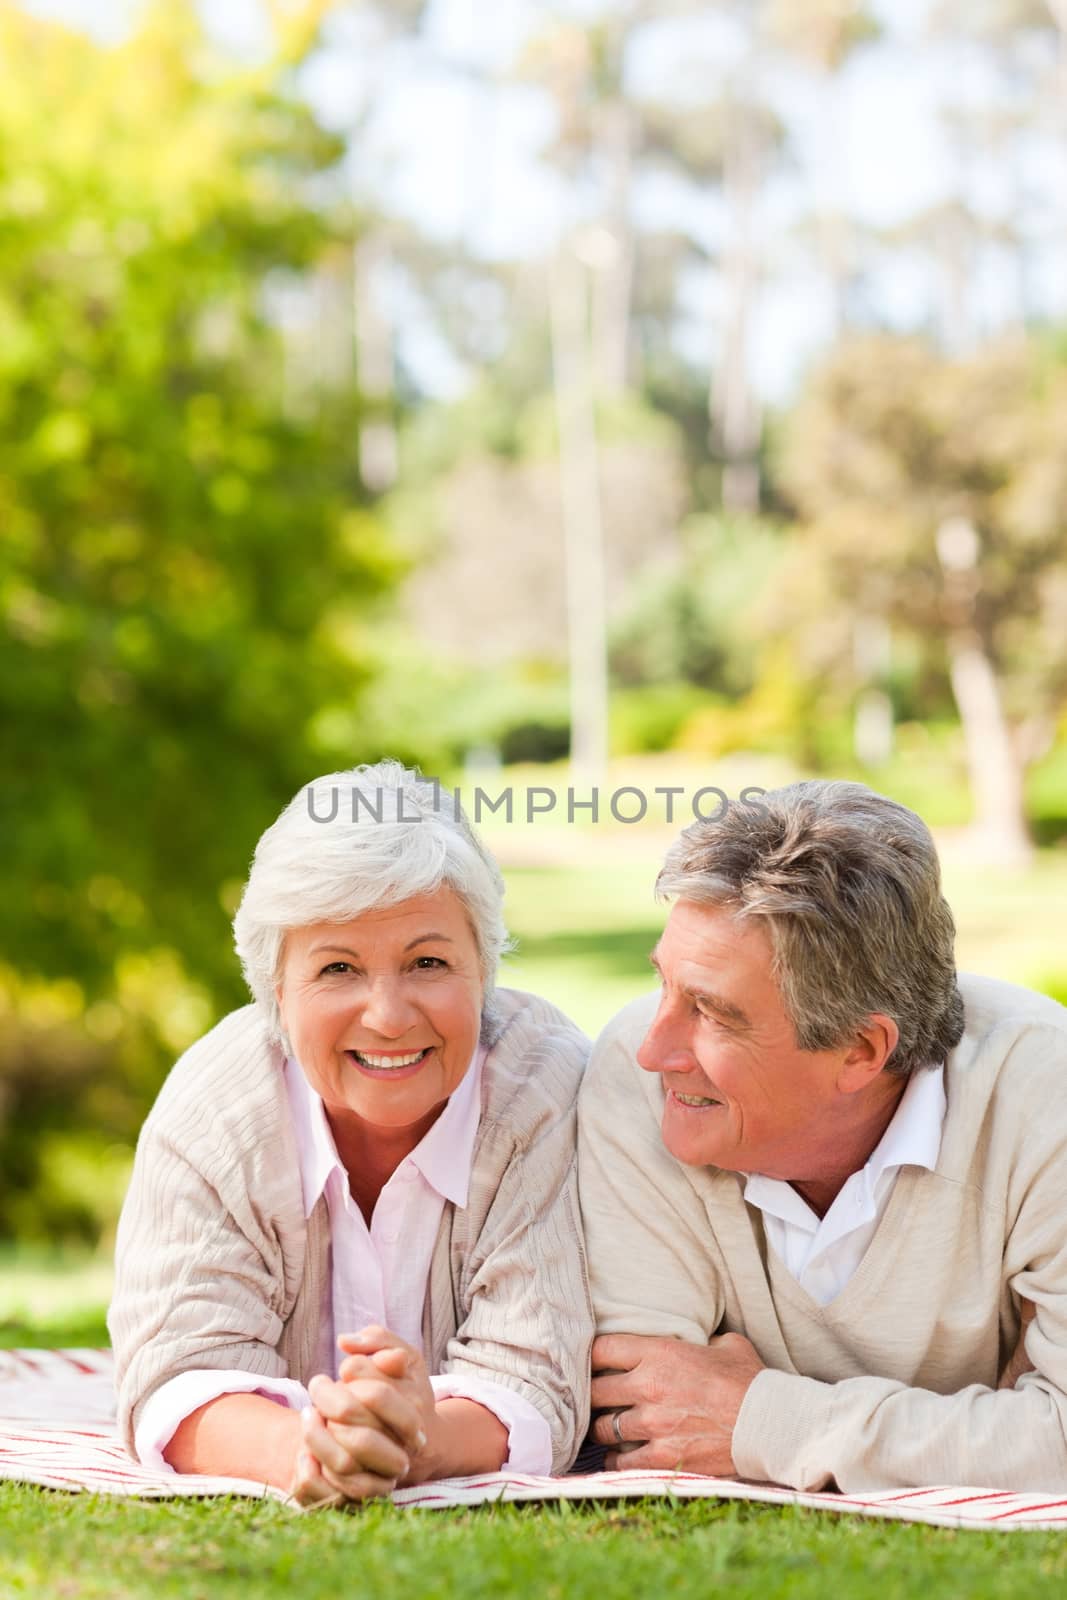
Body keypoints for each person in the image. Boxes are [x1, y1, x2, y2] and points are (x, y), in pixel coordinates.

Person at [109, 761, 592, 1507]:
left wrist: (418, 1440)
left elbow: (539, 1375)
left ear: (484, 970)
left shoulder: (549, 1094)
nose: (388, 1016)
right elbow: (177, 1370)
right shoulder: (214, 1110)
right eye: (337, 969)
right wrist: (304, 1451)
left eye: (427, 962)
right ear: (275, 989)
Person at [579, 780, 1067, 1493]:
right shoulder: (638, 1075)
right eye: (665, 987)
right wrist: (984, 1429)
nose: (656, 1050)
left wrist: (763, 1421)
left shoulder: (1041, 1097)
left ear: (860, 1051)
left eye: (712, 1012)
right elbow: (648, 1412)